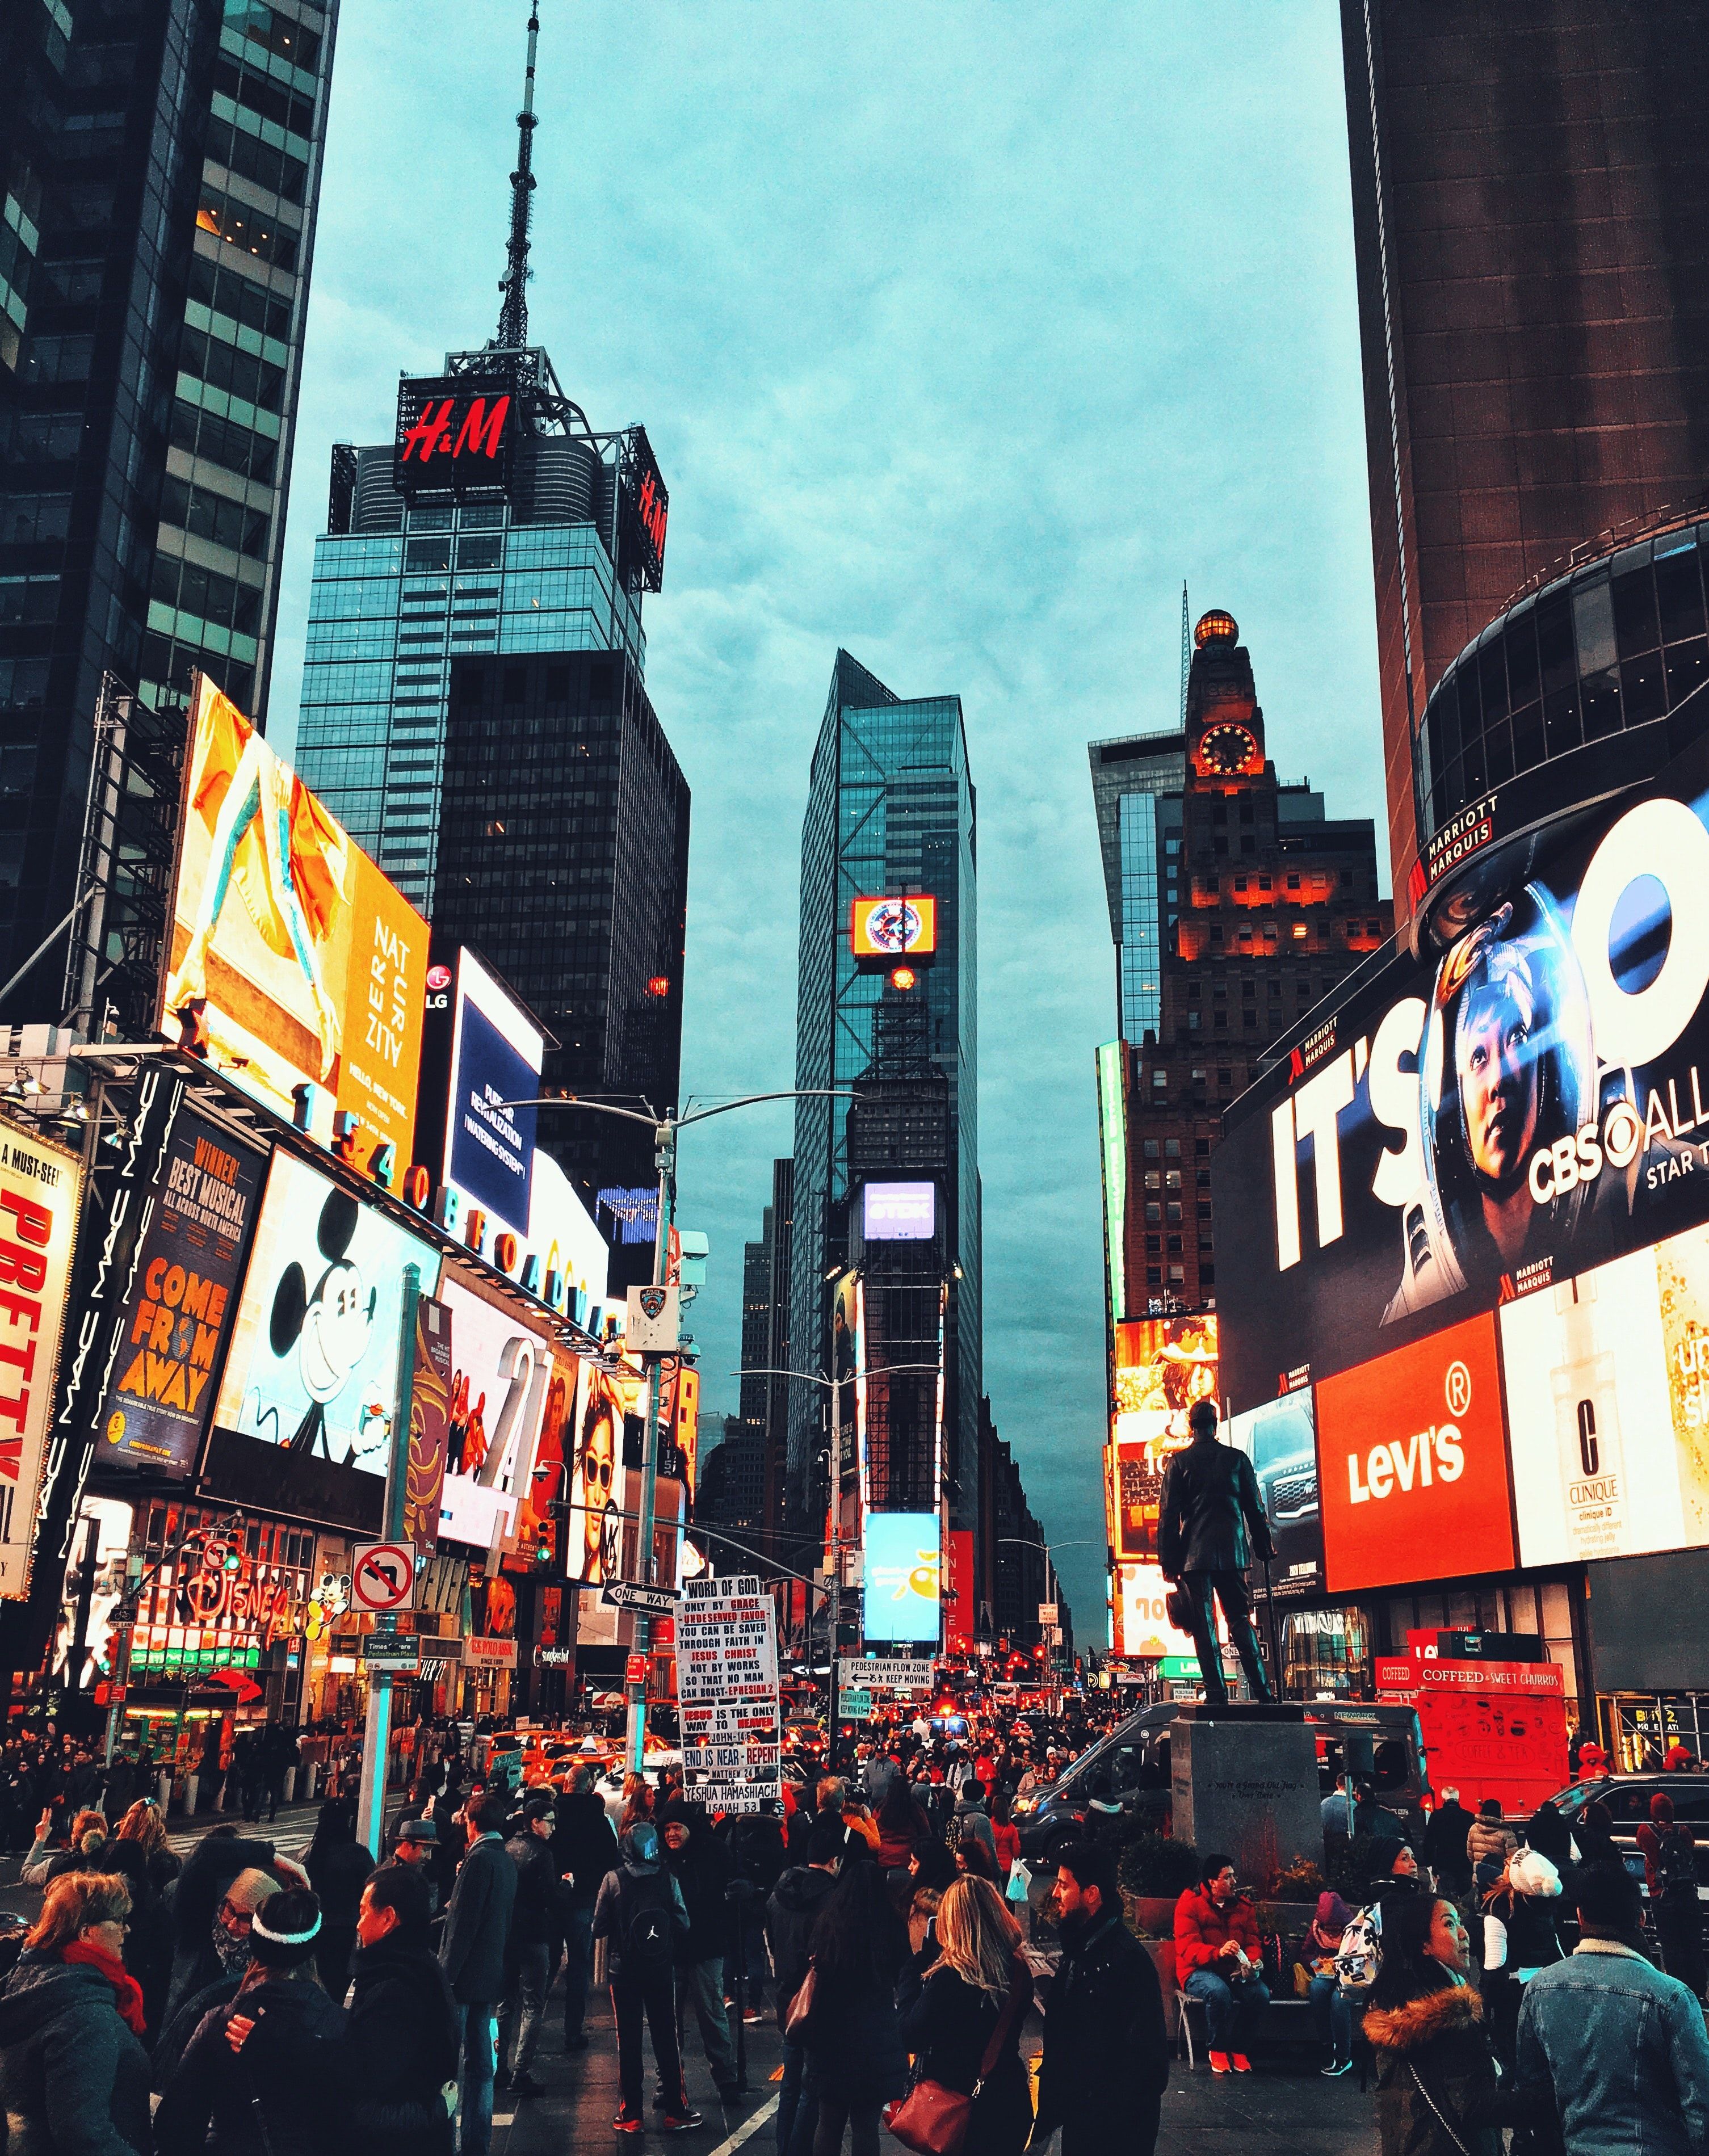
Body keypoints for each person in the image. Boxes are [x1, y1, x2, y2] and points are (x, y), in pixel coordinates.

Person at [1517, 1859, 1709, 2155]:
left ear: (1580, 1916)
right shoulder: (1672, 1997)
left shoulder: (1540, 1989)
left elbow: (1533, 2090)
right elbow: (1700, 2106)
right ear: (1641, 1918)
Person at [154, 1888, 345, 2154]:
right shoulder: (338, 2024)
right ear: (311, 1948)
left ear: (254, 1943)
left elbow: (176, 2122)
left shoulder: (221, 2023)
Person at [1363, 1890, 1533, 2156]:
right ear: (1424, 1944)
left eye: (1460, 1922)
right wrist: (1544, 2101)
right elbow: (1474, 2105)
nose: (1464, 1934)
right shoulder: (1450, 2014)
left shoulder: (1398, 2005)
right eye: (1449, 1924)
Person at [0, 1869, 152, 2156]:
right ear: (85, 1932)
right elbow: (84, 2134)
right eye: (118, 1920)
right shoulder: (86, 2015)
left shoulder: (33, 1977)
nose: (127, 1929)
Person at [1034, 1840, 1168, 2156]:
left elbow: (1147, 2061)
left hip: (1113, 2128)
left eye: (1064, 1885)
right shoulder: (1082, 1947)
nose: (1056, 1894)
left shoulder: (1126, 1959)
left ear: (1091, 1893)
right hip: (1084, 2117)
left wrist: (1099, 2107)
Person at [897, 1877, 1033, 2156]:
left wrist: (913, 1970)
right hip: (1009, 2100)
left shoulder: (952, 1976)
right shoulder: (1019, 1968)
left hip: (960, 2108)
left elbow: (911, 2035)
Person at [1156, 1397, 1273, 1704]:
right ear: (1215, 1425)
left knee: (1204, 1625)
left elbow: (1168, 1516)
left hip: (1195, 1558)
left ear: (1192, 1427)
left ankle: (1217, 1693)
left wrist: (1168, 1562)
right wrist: (1264, 1545)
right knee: (1240, 1619)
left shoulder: (1179, 1463)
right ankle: (1263, 1692)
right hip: (1233, 1552)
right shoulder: (1237, 1460)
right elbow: (1255, 1508)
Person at [338, 1865, 460, 2155]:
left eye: (364, 1911)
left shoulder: (393, 1990)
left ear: (388, 1918)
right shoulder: (420, 1966)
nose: (358, 1924)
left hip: (398, 2141)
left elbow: (370, 2077)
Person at [593, 1818, 700, 2134]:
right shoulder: (667, 1878)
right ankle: (675, 2110)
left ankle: (631, 2114)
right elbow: (683, 1923)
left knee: (628, 2040)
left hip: (623, 1971)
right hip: (660, 1969)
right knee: (667, 2036)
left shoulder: (613, 1880)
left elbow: (598, 1927)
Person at [796, 1856, 909, 2156]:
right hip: (875, 2037)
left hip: (830, 2035)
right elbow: (904, 1973)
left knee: (829, 2122)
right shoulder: (889, 1925)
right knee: (865, 2125)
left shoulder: (829, 1924)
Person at [152, 1867, 283, 2090]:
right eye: (229, 1910)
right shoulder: (197, 1936)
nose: (231, 1924)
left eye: (245, 1919)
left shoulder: (267, 1962)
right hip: (183, 2048)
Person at [439, 1789, 517, 2156]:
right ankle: (477, 2141)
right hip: (489, 1975)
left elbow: (461, 1927)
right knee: (482, 2065)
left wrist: (445, 1976)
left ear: (472, 1824)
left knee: (448, 2065)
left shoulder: (478, 1861)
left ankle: (447, 2141)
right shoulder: (505, 1860)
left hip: (463, 1980)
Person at [768, 1816, 843, 2156]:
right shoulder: (832, 1901)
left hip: (787, 1997)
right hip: (817, 2001)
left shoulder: (779, 1895)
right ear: (834, 1861)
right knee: (811, 2089)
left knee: (790, 2086)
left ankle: (783, 2147)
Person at [659, 1799, 739, 2100]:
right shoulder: (660, 1858)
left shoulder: (713, 1851)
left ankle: (726, 2077)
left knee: (711, 2013)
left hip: (706, 1946)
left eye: (677, 1828)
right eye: (667, 1829)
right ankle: (669, 2080)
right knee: (669, 2019)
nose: (672, 1834)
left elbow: (731, 1883)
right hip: (671, 1950)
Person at [1173, 1852, 1268, 2074]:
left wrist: (1252, 1963)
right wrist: (1218, 1953)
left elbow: (1252, 1941)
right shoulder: (1190, 1903)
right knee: (1218, 1992)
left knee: (1260, 1994)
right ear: (1212, 1882)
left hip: (1234, 1970)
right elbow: (1187, 1947)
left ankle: (1239, 2049)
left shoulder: (1244, 1906)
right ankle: (1217, 2049)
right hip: (1198, 1970)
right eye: (1227, 1877)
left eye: (1234, 1876)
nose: (1234, 1881)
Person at [552, 1762, 618, 2052]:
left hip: (553, 1897)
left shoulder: (553, 1814)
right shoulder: (596, 1818)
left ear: (566, 1784)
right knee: (579, 1965)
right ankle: (573, 2031)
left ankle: (530, 2026)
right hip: (584, 1899)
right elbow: (611, 1858)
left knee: (547, 1963)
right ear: (589, 1787)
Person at [497, 1793, 559, 2099]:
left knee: (505, 2002)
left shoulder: (508, 1848)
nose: (553, 1828)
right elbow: (549, 1897)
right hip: (534, 1935)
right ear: (535, 1823)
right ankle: (521, 2073)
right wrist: (565, 1886)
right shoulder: (542, 1854)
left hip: (509, 1935)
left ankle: (499, 2067)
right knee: (533, 2005)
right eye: (549, 1822)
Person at [303, 1794, 376, 1994]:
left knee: (320, 1983)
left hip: (316, 1929)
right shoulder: (358, 1854)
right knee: (339, 1987)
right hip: (348, 1929)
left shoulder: (312, 1854)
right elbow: (373, 1889)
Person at [1636, 1797, 1706, 1999]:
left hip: (1662, 1895)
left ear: (1652, 1812)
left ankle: (1677, 1992)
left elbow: (1642, 1846)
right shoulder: (1683, 1831)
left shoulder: (1645, 1831)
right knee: (1693, 1943)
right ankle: (1699, 1990)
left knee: (1670, 1945)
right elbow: (1690, 1848)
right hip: (1687, 1894)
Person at [1304, 1890, 1354, 2077]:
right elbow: (1305, 1953)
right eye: (1328, 1928)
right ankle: (1326, 2044)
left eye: (1336, 1928)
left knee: (1339, 2000)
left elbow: (1362, 1956)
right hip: (1324, 1976)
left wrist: (1342, 1964)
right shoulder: (1317, 1930)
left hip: (1348, 1977)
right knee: (1316, 1989)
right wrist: (1316, 1964)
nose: (1332, 1932)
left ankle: (1343, 2055)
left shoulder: (1353, 1931)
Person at [1421, 1787, 1476, 1896]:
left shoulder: (1437, 1816)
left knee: (1448, 1896)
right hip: (1465, 1864)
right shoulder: (1469, 1816)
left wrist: (1430, 1864)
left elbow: (1429, 1842)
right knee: (1466, 1896)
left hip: (1444, 1863)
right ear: (1458, 1799)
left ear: (1443, 1800)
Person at [1466, 1797, 1517, 1876]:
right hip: (1500, 1875)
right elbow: (1513, 1858)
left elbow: (1470, 1854)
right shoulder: (1506, 1833)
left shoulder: (1474, 1829)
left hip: (1480, 1874)